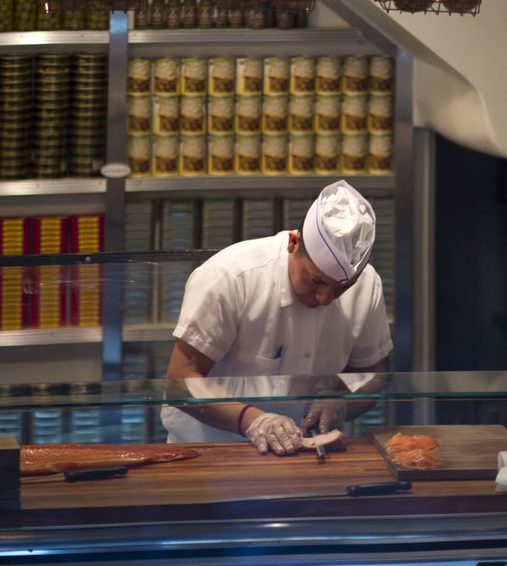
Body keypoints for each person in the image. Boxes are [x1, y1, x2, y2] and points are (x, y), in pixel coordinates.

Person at [161, 179, 392, 456]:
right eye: (316, 281)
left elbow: (374, 375)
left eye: (343, 287)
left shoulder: (368, 285)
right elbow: (179, 381)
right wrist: (254, 420)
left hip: (305, 457)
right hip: (210, 454)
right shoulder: (230, 277)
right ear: (293, 243)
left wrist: (340, 400)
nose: (326, 298)